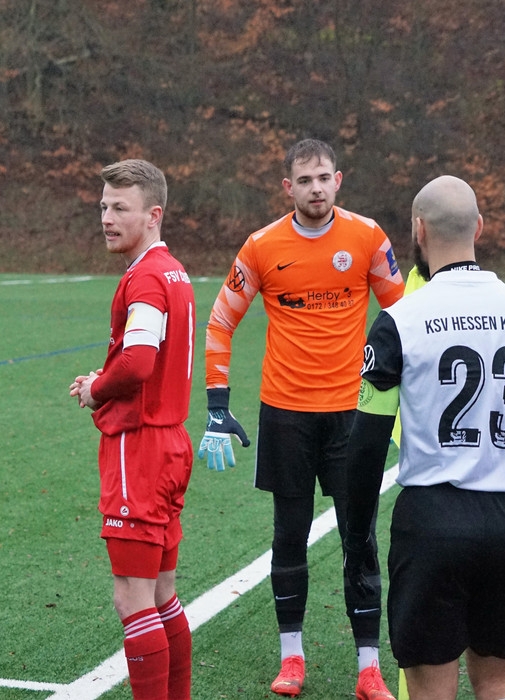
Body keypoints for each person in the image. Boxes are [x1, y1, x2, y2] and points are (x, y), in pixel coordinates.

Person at [342, 175, 505, 700]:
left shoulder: (399, 321)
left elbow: (366, 445)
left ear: (418, 230)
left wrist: (356, 542)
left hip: (432, 522)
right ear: (479, 227)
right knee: (501, 685)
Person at [199, 139, 405, 698]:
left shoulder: (368, 238)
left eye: (324, 177)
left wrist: (410, 398)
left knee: (360, 540)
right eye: (305, 180)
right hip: (285, 414)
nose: (316, 188)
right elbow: (220, 322)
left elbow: (403, 316)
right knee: (288, 537)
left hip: (353, 416)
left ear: (339, 179)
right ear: (288, 187)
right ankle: (292, 659)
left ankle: (368, 668)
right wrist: (217, 403)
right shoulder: (262, 246)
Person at [70, 159, 196, 700]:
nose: (107, 217)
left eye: (120, 208)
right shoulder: (174, 271)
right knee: (162, 594)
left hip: (139, 448)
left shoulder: (144, 276)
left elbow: (140, 361)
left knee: (132, 599)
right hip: (169, 443)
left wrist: (97, 389)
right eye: (104, 206)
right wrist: (103, 377)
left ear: (153, 215)